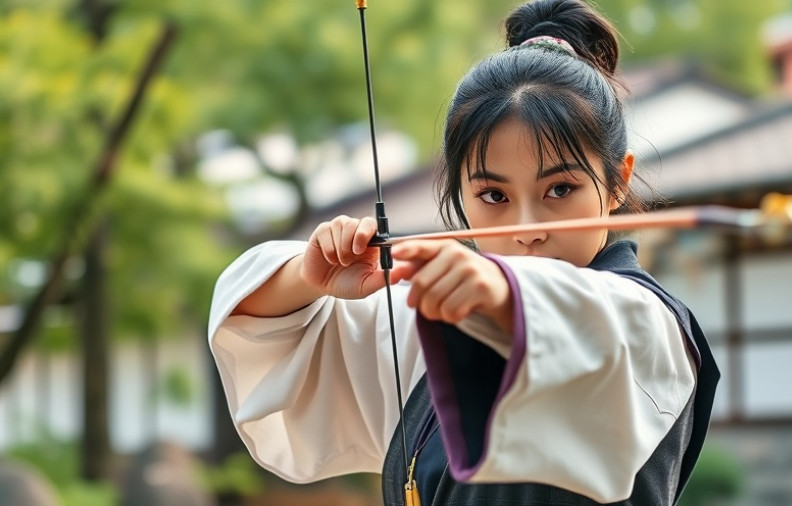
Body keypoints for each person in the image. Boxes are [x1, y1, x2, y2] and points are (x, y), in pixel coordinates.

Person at [208, 0, 719, 504]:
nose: (526, 230)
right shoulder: (431, 325)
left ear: (616, 182)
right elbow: (260, 324)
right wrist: (308, 274)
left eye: (560, 190)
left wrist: (502, 291)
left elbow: (583, 318)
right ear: (460, 195)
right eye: (494, 196)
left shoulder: (649, 328)